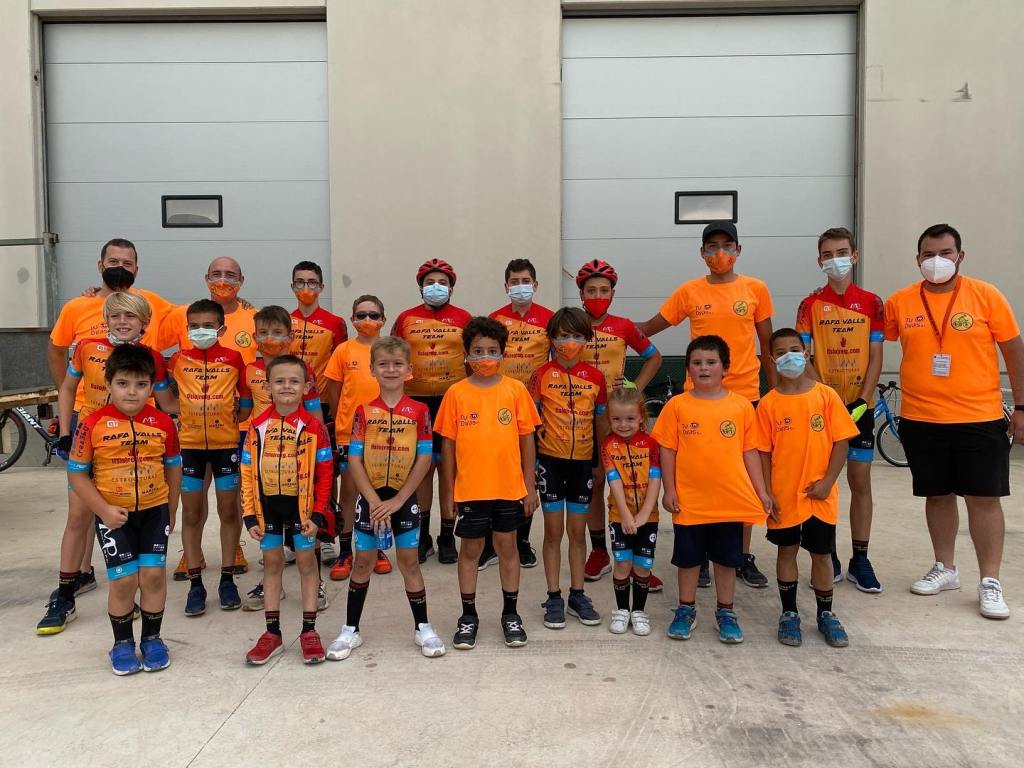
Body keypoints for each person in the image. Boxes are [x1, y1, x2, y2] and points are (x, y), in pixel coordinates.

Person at [884, 223, 1024, 620]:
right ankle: (945, 568)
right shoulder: (900, 302)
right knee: (938, 495)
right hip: (921, 418)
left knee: (984, 499)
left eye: (945, 253)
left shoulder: (986, 295)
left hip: (978, 417)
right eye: (928, 254)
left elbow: (1014, 351)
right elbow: (872, 339)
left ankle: (990, 581)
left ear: (960, 256)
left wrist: (1022, 407)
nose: (936, 261)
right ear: (917, 259)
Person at [638, 221, 775, 589]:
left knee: (740, 478)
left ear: (738, 250)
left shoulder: (756, 289)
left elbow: (768, 345)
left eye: (727, 245)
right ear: (702, 253)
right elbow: (648, 327)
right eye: (712, 246)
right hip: (695, 400)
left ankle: (741, 555)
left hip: (744, 397)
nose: (720, 253)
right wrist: (607, 326)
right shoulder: (689, 291)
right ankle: (697, 556)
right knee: (695, 475)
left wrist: (774, 392)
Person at [37, 292, 176, 635]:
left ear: (144, 323)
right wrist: (65, 431)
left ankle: (131, 598)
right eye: (116, 316)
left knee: (134, 515)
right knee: (79, 517)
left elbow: (167, 402)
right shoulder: (86, 347)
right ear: (106, 320)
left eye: (131, 317)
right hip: (91, 440)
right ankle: (64, 596)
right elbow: (68, 388)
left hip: (134, 447)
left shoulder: (152, 357)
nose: (123, 323)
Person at [326, 336, 446, 661]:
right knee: (363, 563)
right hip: (371, 499)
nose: (391, 369)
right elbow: (354, 459)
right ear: (372, 370)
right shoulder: (364, 411)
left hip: (404, 499)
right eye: (383, 364)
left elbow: (424, 458)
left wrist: (399, 500)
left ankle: (423, 627)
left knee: (409, 562)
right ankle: (351, 629)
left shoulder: (420, 411)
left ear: (409, 370)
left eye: (397, 364)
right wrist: (373, 500)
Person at [66, 344, 182, 674]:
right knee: (124, 581)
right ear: (108, 383)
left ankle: (152, 640)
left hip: (155, 511)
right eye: (122, 383)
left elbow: (173, 467)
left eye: (141, 385)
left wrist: (171, 508)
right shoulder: (91, 424)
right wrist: (102, 510)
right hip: (113, 517)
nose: (132, 392)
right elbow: (76, 474)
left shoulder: (163, 422)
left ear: (152, 386)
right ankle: (121, 644)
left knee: (154, 576)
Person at [652, 335, 772, 644]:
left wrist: (761, 491)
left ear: (725, 368)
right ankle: (685, 609)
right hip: (690, 501)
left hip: (729, 501)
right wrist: (669, 490)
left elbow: (750, 452)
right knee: (688, 559)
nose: (703, 368)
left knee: (726, 560)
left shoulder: (741, 406)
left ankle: (726, 612)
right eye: (696, 363)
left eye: (711, 362)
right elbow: (667, 451)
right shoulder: (676, 406)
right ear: (688, 369)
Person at [436, 316, 541, 650]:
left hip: (508, 488)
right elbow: (448, 447)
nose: (485, 357)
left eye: (492, 350)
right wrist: (448, 493)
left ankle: (511, 614)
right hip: (470, 490)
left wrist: (529, 485)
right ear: (467, 354)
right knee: (470, 551)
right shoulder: (456, 393)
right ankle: (468, 616)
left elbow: (527, 441)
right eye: (478, 350)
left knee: (508, 548)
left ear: (502, 353)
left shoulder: (516, 390)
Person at [756, 328, 859, 647]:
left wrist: (828, 483)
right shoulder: (768, 404)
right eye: (781, 352)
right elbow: (763, 453)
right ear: (772, 359)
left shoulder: (825, 396)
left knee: (822, 555)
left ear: (806, 353)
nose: (789, 357)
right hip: (784, 497)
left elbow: (841, 442)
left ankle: (826, 613)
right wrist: (767, 492)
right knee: (786, 551)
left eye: (794, 350)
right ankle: (789, 614)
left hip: (820, 497)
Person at [796, 227, 885, 591]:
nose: (836, 260)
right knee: (823, 483)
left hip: (860, 407)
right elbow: (803, 357)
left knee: (860, 482)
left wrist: (863, 399)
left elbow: (876, 356)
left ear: (855, 256)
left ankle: (860, 559)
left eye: (842, 252)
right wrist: (827, 397)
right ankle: (827, 554)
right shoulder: (809, 305)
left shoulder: (872, 302)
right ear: (819, 261)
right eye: (828, 254)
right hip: (824, 407)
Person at [160, 256, 257, 579]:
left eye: (230, 274)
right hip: (190, 440)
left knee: (231, 504)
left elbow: (248, 390)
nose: (223, 280)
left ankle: (234, 550)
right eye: (216, 274)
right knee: (193, 503)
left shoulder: (251, 319)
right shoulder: (179, 350)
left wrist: (238, 417)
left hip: (231, 433)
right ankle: (192, 556)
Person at [574, 259, 662, 590]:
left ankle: (639, 559)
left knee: (632, 482)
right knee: (596, 483)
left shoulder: (624, 326)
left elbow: (654, 357)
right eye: (591, 290)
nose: (597, 296)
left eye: (604, 290)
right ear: (581, 294)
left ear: (612, 293)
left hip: (618, 417)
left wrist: (634, 390)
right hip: (582, 416)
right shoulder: (573, 325)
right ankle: (600, 552)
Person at [242, 355, 334, 665]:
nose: (286, 386)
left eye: (294, 381)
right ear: (267, 386)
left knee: (307, 564)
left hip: (302, 511)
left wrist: (318, 514)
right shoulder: (256, 426)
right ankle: (272, 634)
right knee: (272, 564)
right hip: (268, 509)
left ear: (307, 387)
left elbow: (325, 475)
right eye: (279, 381)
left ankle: (309, 631)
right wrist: (249, 515)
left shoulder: (315, 427)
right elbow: (246, 472)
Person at [240, 305, 329, 611]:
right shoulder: (249, 370)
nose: (270, 338)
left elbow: (315, 412)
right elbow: (244, 410)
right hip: (264, 452)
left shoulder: (303, 370)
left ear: (289, 337)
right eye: (263, 333)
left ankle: (316, 583)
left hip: (300, 451)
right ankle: (270, 586)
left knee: (306, 531)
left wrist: (319, 448)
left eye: (277, 332)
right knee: (270, 543)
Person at [167, 300, 251, 617]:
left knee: (229, 511)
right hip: (189, 447)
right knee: (191, 513)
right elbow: (165, 397)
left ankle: (227, 579)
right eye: (194, 326)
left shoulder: (234, 358)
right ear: (187, 328)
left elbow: (245, 401)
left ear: (221, 329)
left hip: (226, 445)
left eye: (207, 325)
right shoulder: (178, 359)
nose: (200, 330)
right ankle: (196, 583)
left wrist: (232, 421)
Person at [529, 307, 608, 629]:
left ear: (587, 339)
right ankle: (553, 596)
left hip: (583, 465)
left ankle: (577, 594)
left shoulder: (597, 377)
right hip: (550, 463)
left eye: (576, 335)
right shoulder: (541, 375)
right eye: (562, 336)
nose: (569, 342)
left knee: (577, 533)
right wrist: (531, 467)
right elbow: (531, 424)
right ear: (551, 338)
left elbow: (601, 422)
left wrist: (601, 462)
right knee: (553, 533)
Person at [391, 259, 471, 566]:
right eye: (429, 282)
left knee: (449, 470)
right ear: (420, 287)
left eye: (442, 282)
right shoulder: (405, 318)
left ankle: (447, 537)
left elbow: (472, 360)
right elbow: (395, 358)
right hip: (417, 404)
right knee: (422, 471)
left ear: (451, 287)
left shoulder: (463, 318)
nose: (435, 287)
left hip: (452, 402)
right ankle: (422, 536)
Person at [484, 258, 554, 570]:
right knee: (496, 469)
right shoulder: (495, 319)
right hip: (498, 405)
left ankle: (522, 540)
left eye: (526, 281)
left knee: (528, 470)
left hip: (534, 407)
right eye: (514, 281)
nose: (520, 286)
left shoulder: (549, 319)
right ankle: (490, 543)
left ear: (535, 285)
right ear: (506, 286)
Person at [324, 295, 390, 582]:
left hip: (384, 433)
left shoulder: (390, 349)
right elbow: (334, 392)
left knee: (378, 492)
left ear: (383, 320)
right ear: (352, 319)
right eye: (361, 315)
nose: (367, 320)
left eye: (373, 315)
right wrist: (344, 421)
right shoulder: (343, 350)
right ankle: (345, 550)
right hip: (350, 434)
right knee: (350, 492)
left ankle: (376, 548)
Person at [602, 387, 662, 636]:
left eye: (629, 418)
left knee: (643, 566)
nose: (623, 424)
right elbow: (613, 480)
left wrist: (646, 512)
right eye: (616, 419)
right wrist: (626, 515)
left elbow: (655, 477)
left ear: (641, 417)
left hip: (649, 517)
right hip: (620, 517)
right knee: (622, 563)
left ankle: (638, 611)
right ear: (609, 419)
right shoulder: (608, 445)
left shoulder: (651, 444)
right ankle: (621, 610)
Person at [288, 260, 347, 394]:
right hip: (290, 396)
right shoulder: (285, 321)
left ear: (321, 287)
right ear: (292, 286)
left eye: (312, 282)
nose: (306, 288)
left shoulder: (336, 322)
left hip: (323, 398)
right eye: (300, 282)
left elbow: (341, 365)